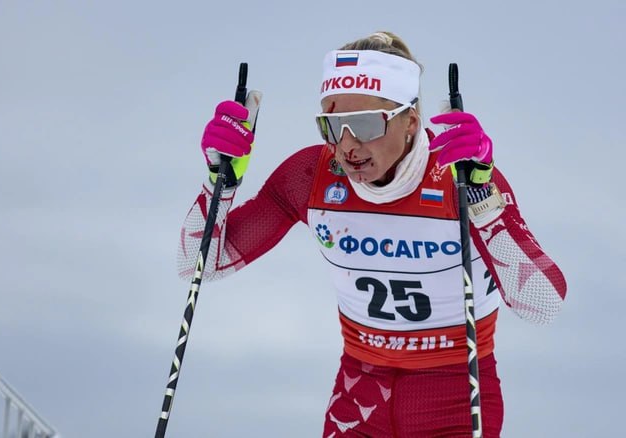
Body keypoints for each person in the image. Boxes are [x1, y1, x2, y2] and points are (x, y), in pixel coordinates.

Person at [177, 31, 567, 437]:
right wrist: (219, 182)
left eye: (365, 124)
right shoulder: (310, 176)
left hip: (454, 395)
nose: (347, 146)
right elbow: (198, 267)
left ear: (410, 121)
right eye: (332, 126)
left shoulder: (459, 175)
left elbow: (544, 305)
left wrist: (482, 197)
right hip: (361, 396)